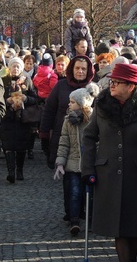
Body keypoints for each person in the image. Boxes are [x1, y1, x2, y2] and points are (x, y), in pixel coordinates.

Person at [81, 63, 137, 262]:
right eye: (111, 81)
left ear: (131, 86)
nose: (111, 85)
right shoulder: (103, 104)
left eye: (117, 82)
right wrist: (88, 169)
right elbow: (89, 137)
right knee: (119, 228)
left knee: (134, 227)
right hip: (108, 174)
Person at [54, 87, 94, 236]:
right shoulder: (68, 121)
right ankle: (74, 221)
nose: (69, 104)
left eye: (72, 102)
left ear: (82, 104)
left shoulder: (93, 119)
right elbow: (64, 142)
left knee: (89, 193)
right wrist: (60, 163)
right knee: (74, 193)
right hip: (72, 164)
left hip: (89, 164)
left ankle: (91, 220)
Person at [1, 57, 40, 182]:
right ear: (9, 67)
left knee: (21, 146)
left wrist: (26, 98)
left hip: (23, 119)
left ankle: (19, 170)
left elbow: (35, 99)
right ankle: (11, 172)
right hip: (7, 118)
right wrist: (7, 101)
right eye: (13, 66)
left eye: (18, 66)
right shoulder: (3, 80)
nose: (15, 68)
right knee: (8, 146)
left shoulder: (27, 80)